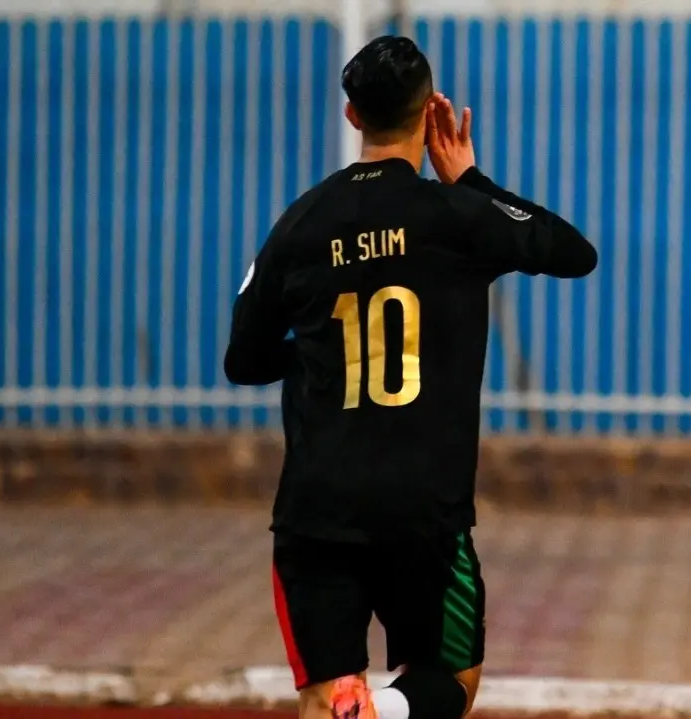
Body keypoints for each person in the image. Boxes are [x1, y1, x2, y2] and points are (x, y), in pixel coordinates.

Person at [223, 34, 598, 719]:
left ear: (352, 115)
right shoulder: (457, 216)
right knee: (452, 678)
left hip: (317, 506)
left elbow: (241, 361)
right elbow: (574, 252)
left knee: (326, 698)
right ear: (430, 114)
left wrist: (315, 354)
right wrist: (470, 181)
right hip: (424, 508)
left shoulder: (299, 224)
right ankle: (386, 713)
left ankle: (355, 711)